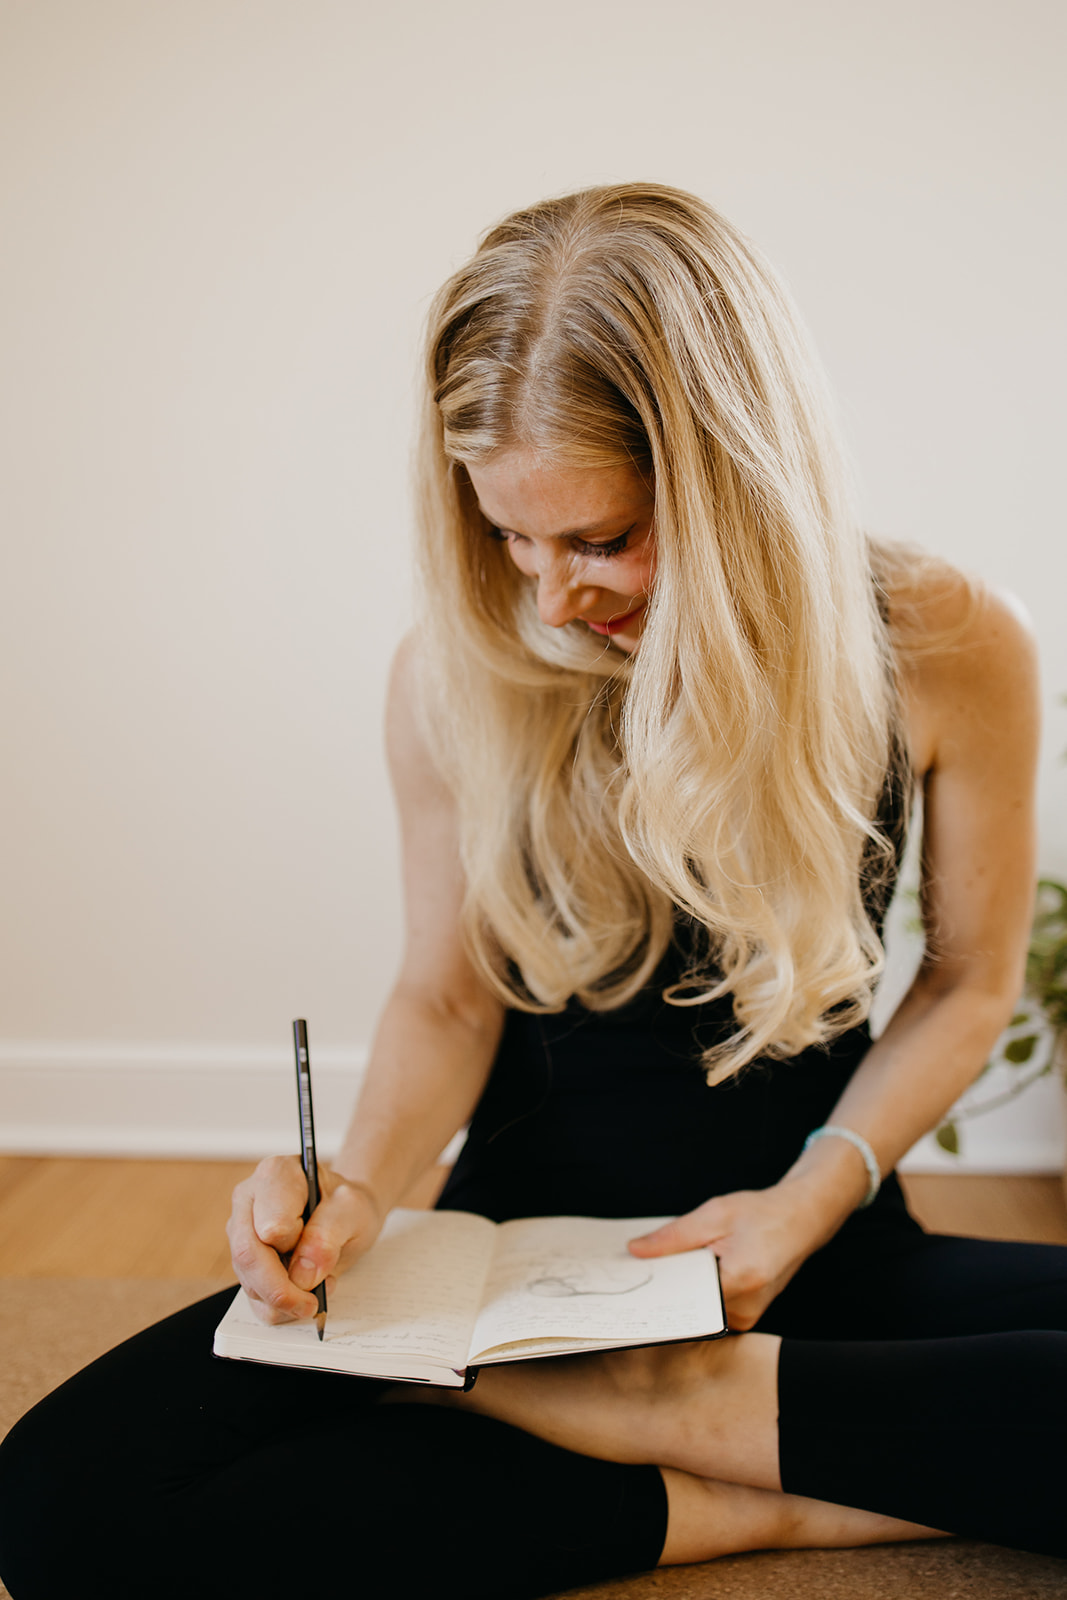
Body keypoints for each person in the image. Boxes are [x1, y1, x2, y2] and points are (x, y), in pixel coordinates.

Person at [1, 182, 1065, 1600]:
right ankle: (755, 1487)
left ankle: (689, 1418)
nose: (552, 598)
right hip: (502, 1287)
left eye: (603, 539)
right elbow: (445, 993)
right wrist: (357, 1194)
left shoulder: (946, 644)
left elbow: (966, 977)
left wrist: (805, 1204)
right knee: (63, 1503)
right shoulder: (452, 675)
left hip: (805, 1238)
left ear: (741, 487)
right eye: (511, 537)